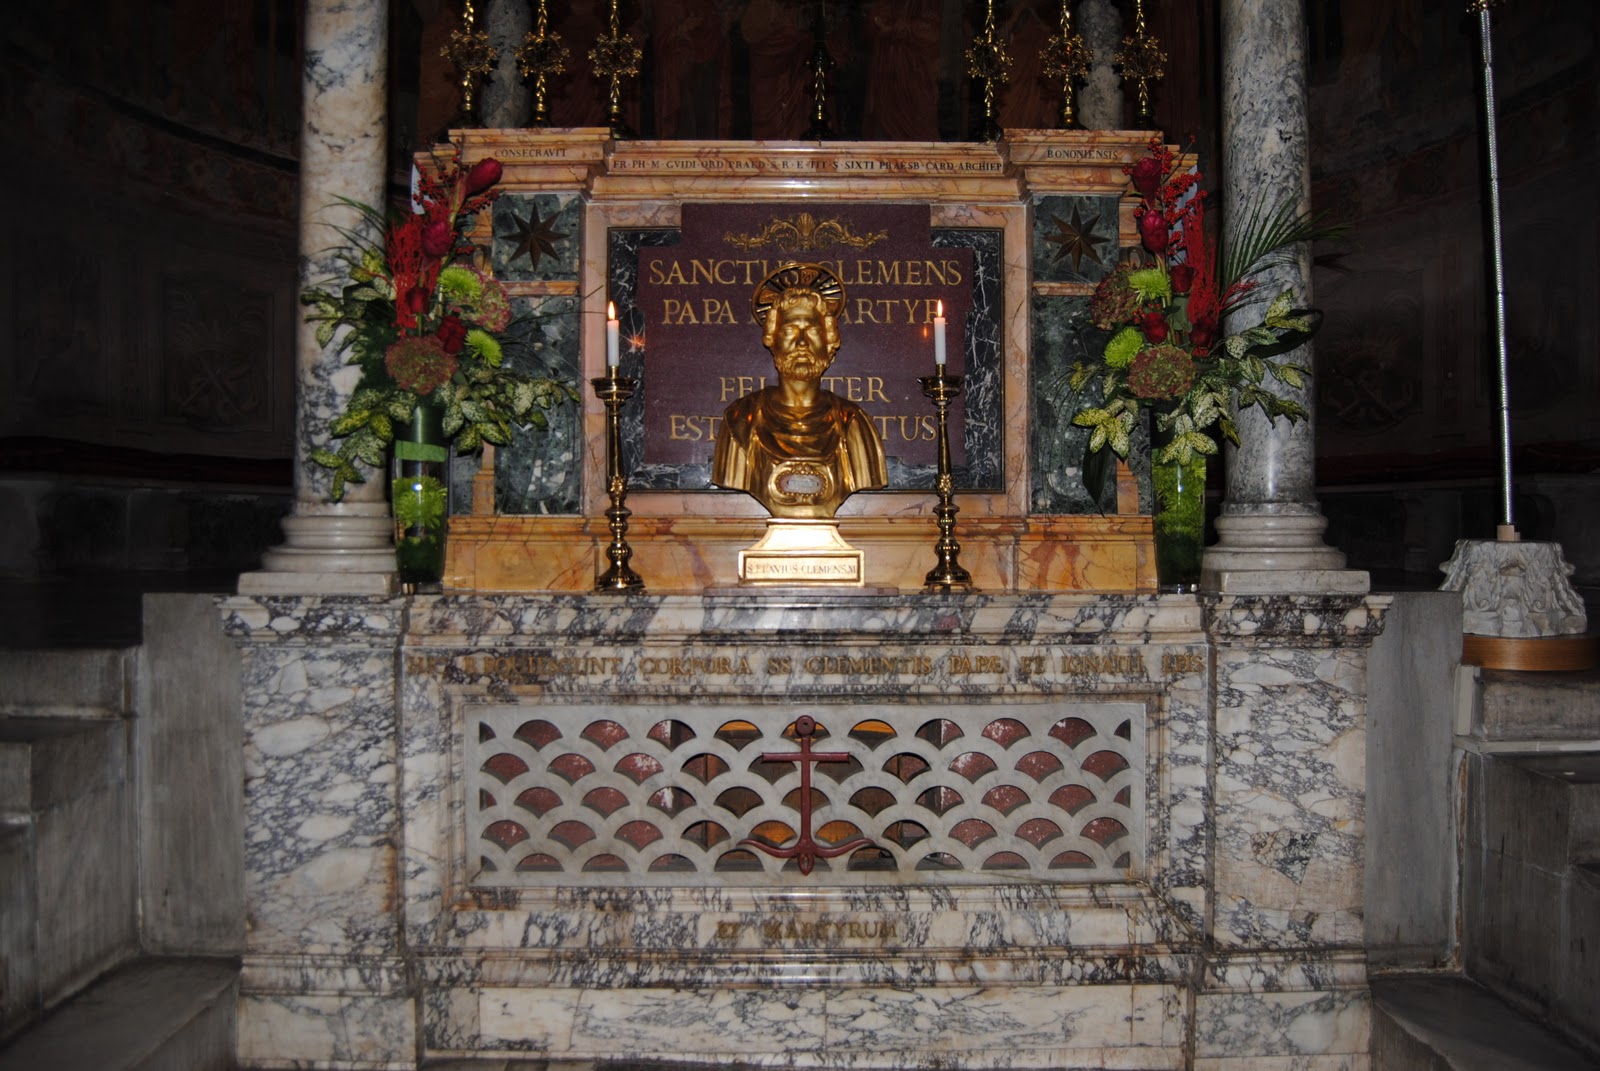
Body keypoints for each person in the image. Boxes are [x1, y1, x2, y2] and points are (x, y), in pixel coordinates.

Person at [712, 264, 888, 519]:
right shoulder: (740, 421)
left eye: (813, 330)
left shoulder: (854, 424)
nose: (802, 342)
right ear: (772, 337)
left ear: (829, 340)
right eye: (790, 330)